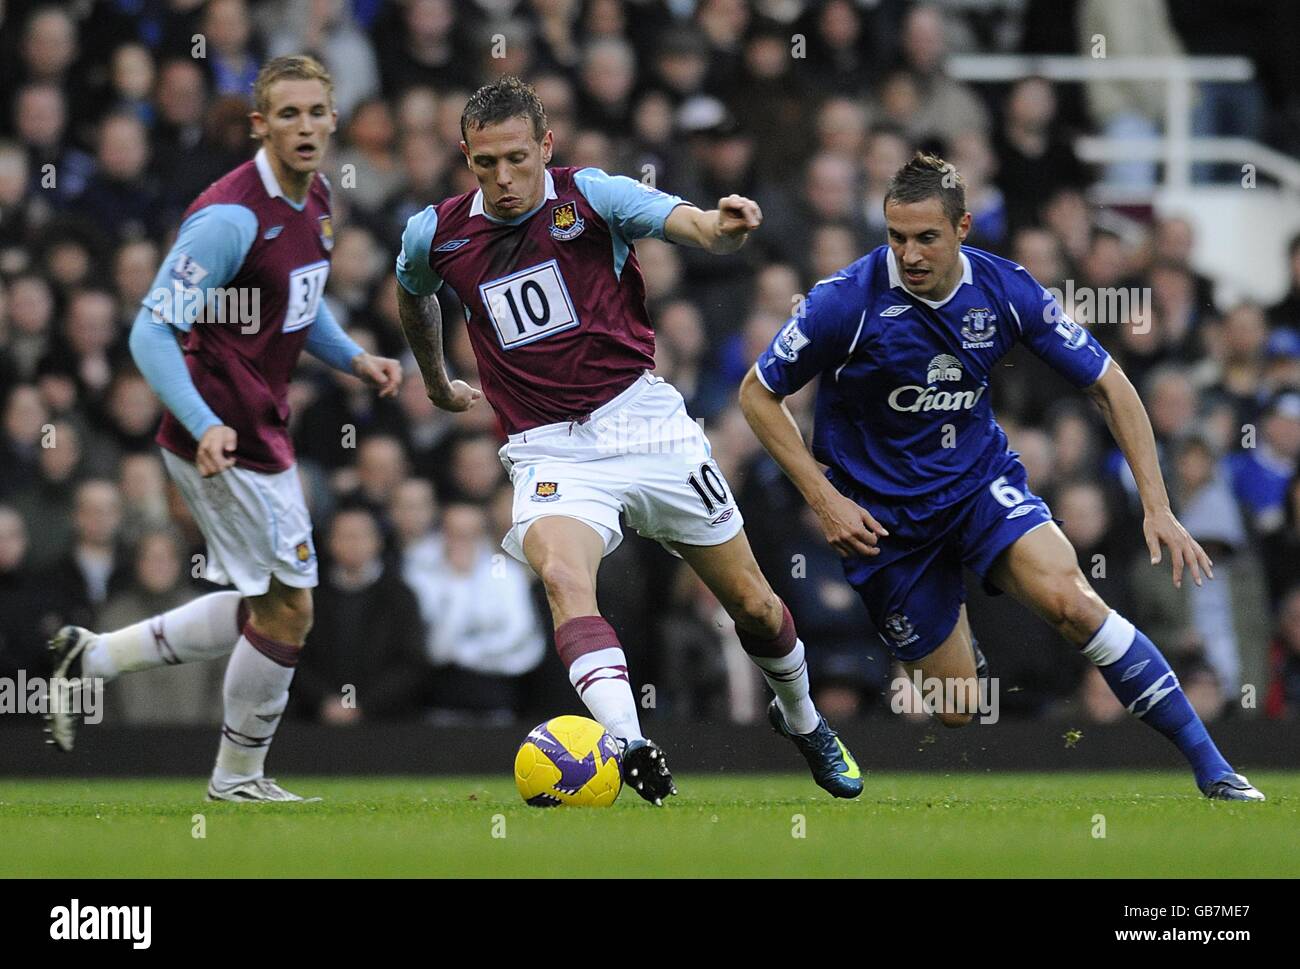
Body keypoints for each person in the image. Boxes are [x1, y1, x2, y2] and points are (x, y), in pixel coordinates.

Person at [739, 152, 1264, 801]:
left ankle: (1214, 769)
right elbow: (757, 394)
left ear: (962, 228)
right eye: (896, 236)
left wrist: (1158, 506)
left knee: (1076, 602)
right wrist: (823, 499)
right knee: (959, 707)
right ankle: (938, 649)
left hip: (977, 487)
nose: (909, 252)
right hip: (885, 522)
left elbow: (1112, 386)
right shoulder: (844, 301)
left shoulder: (1006, 290)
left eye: (926, 236)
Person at [395, 75, 861, 804]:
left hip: (646, 425)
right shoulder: (438, 232)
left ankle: (802, 720)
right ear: (466, 157)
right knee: (562, 577)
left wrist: (721, 224)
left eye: (518, 157)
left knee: (757, 607)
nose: (504, 177)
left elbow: (685, 222)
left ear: (546, 146)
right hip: (549, 447)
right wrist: (435, 377)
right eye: (486, 163)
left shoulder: (593, 197)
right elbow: (411, 288)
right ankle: (630, 740)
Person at [44, 56, 403, 802]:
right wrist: (204, 423)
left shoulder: (320, 200)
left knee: (267, 601)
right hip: (220, 436)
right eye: (288, 114)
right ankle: (237, 776)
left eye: (316, 112)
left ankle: (93, 659)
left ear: (334, 119)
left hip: (256, 431)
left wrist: (354, 358)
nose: (304, 127)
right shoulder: (230, 218)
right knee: (293, 606)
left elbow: (296, 304)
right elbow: (149, 332)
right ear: (260, 125)